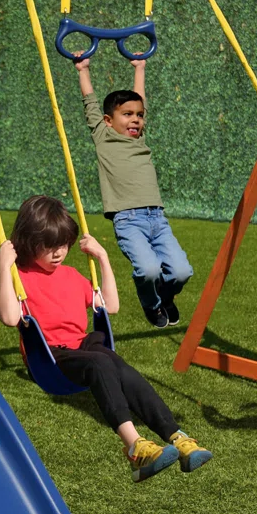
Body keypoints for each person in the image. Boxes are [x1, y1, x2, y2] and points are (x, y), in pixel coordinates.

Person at [0, 195, 212, 482]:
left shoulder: (71, 275)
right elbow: (10, 318)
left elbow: (110, 306)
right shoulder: (19, 277)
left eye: (63, 244)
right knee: (100, 363)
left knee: (120, 367)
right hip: (50, 356)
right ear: (27, 241)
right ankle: (135, 446)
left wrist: (103, 258)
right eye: (48, 246)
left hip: (85, 346)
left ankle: (177, 436)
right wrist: (3, 267)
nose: (58, 252)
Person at [74, 54, 192, 329]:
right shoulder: (103, 137)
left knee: (182, 271)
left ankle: (165, 297)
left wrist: (140, 67)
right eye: (127, 115)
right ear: (107, 120)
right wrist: (83, 69)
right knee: (148, 269)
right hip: (128, 221)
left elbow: (140, 98)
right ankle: (152, 305)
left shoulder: (140, 139)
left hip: (157, 219)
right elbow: (90, 101)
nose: (135, 120)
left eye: (139, 115)